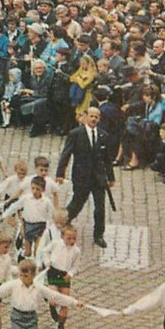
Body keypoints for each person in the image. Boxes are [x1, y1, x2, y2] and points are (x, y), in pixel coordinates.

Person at [55, 104, 115, 248]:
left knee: (100, 207)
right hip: (81, 176)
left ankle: (98, 235)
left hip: (98, 177)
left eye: (96, 117)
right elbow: (66, 154)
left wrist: (110, 177)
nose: (94, 119)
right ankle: (63, 223)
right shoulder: (76, 134)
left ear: (99, 119)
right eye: (91, 116)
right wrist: (60, 173)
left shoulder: (103, 136)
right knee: (77, 203)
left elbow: (107, 159)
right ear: (86, 117)